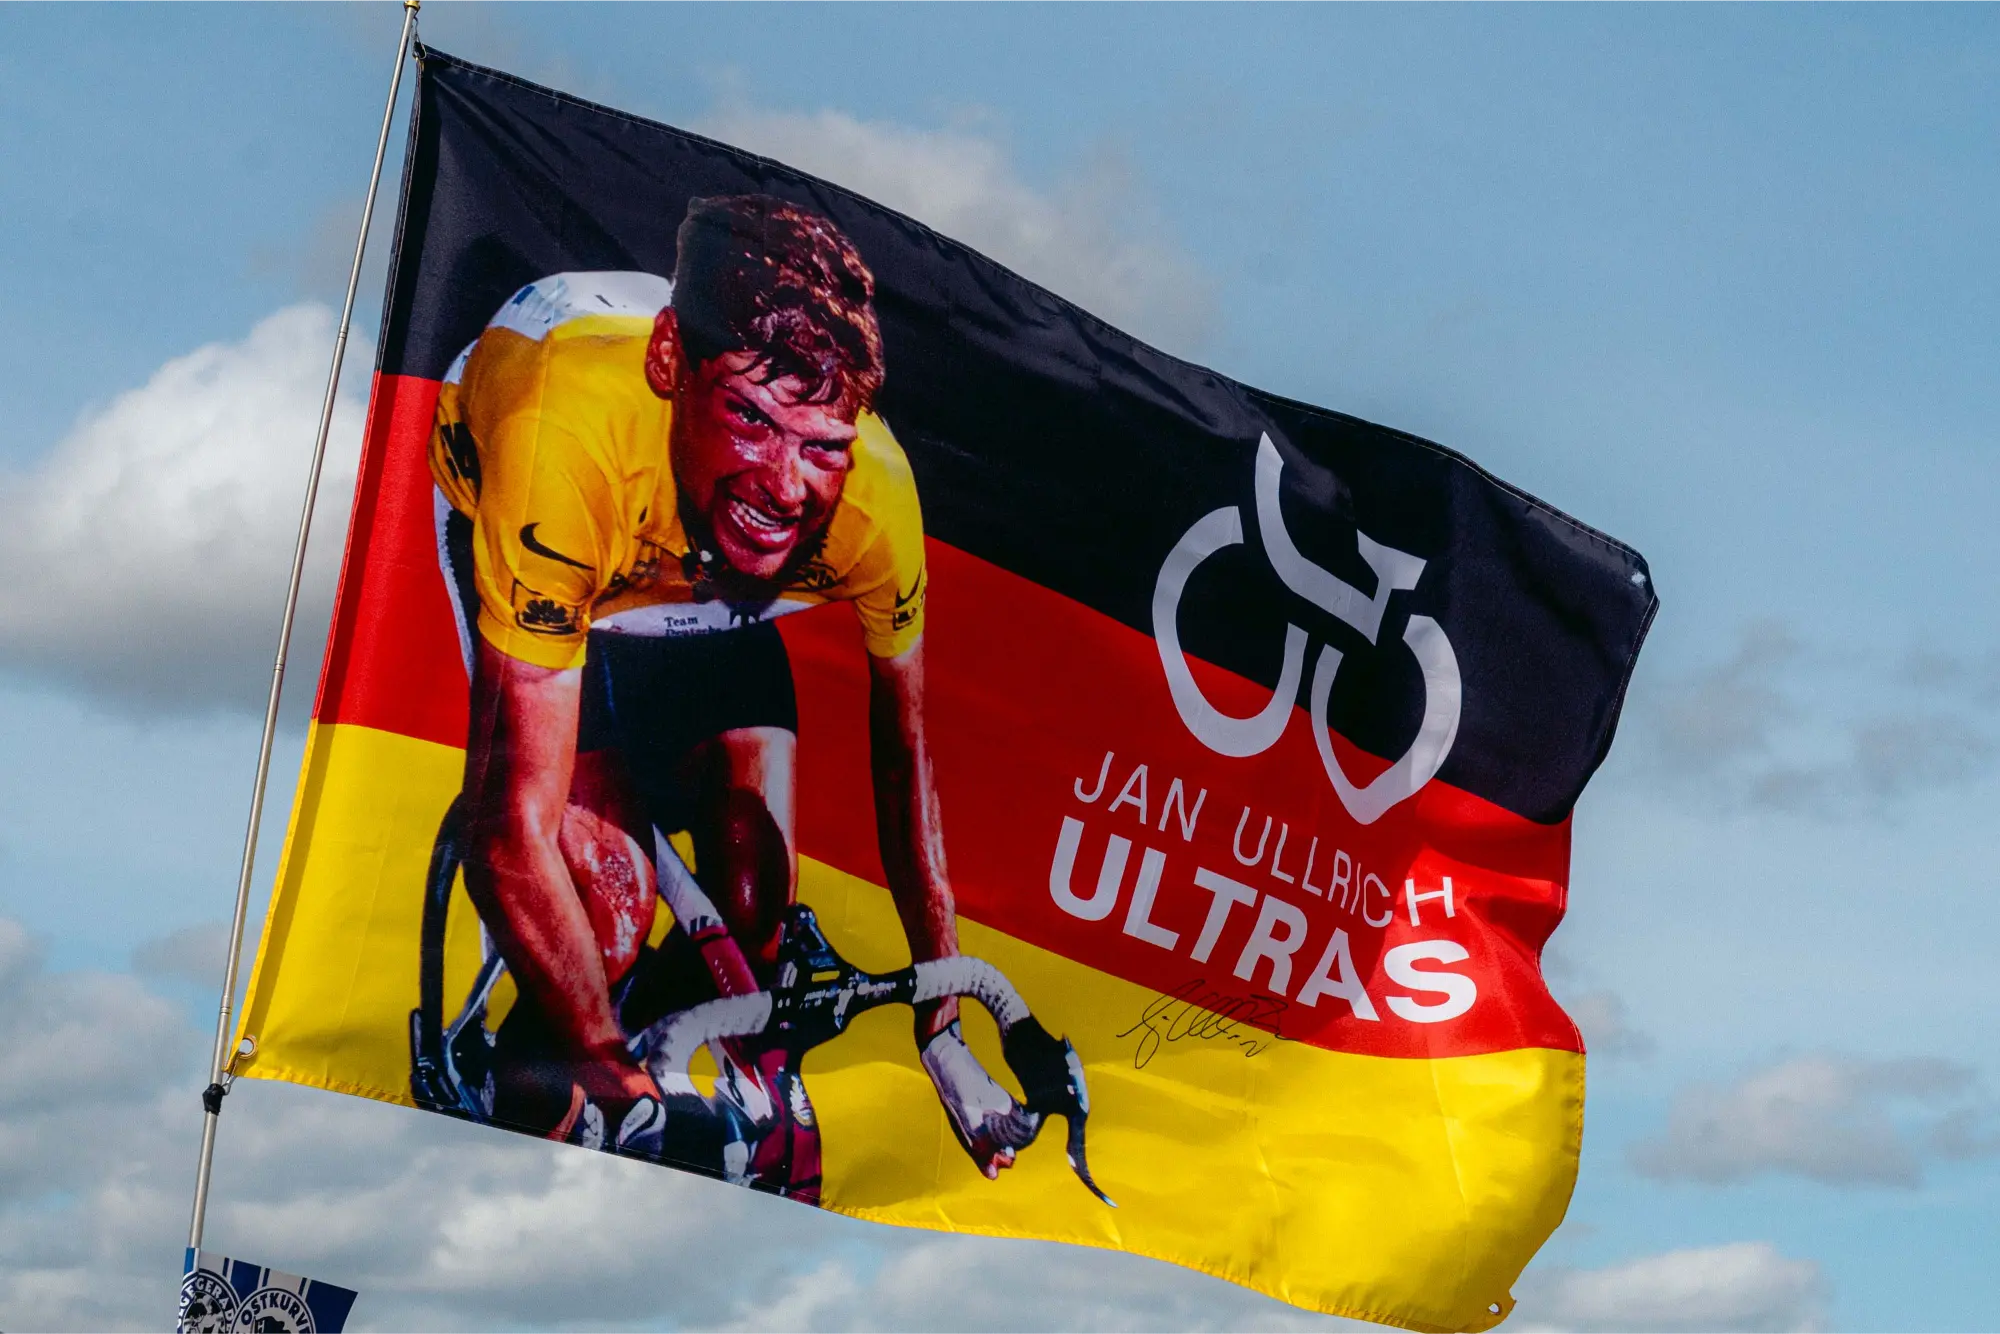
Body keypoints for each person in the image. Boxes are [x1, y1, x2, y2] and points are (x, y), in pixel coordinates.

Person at [427, 194, 1022, 1181]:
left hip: (706, 593)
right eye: (749, 417)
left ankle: (654, 1045)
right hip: (569, 540)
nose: (785, 486)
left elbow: (905, 772)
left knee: (752, 888)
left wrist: (941, 1026)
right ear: (672, 367)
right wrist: (613, 1074)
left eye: (819, 443)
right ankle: (529, 1095)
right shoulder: (559, 441)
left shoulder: (872, 501)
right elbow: (507, 830)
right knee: (603, 908)